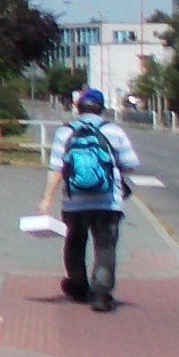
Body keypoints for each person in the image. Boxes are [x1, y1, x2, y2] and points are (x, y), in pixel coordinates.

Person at [38, 87, 139, 313]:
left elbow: (56, 168)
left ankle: (78, 287)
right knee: (105, 247)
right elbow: (131, 164)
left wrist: (46, 199)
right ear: (102, 109)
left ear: (78, 107)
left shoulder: (65, 133)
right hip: (108, 202)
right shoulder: (113, 131)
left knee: (74, 243)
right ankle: (101, 293)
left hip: (74, 202)